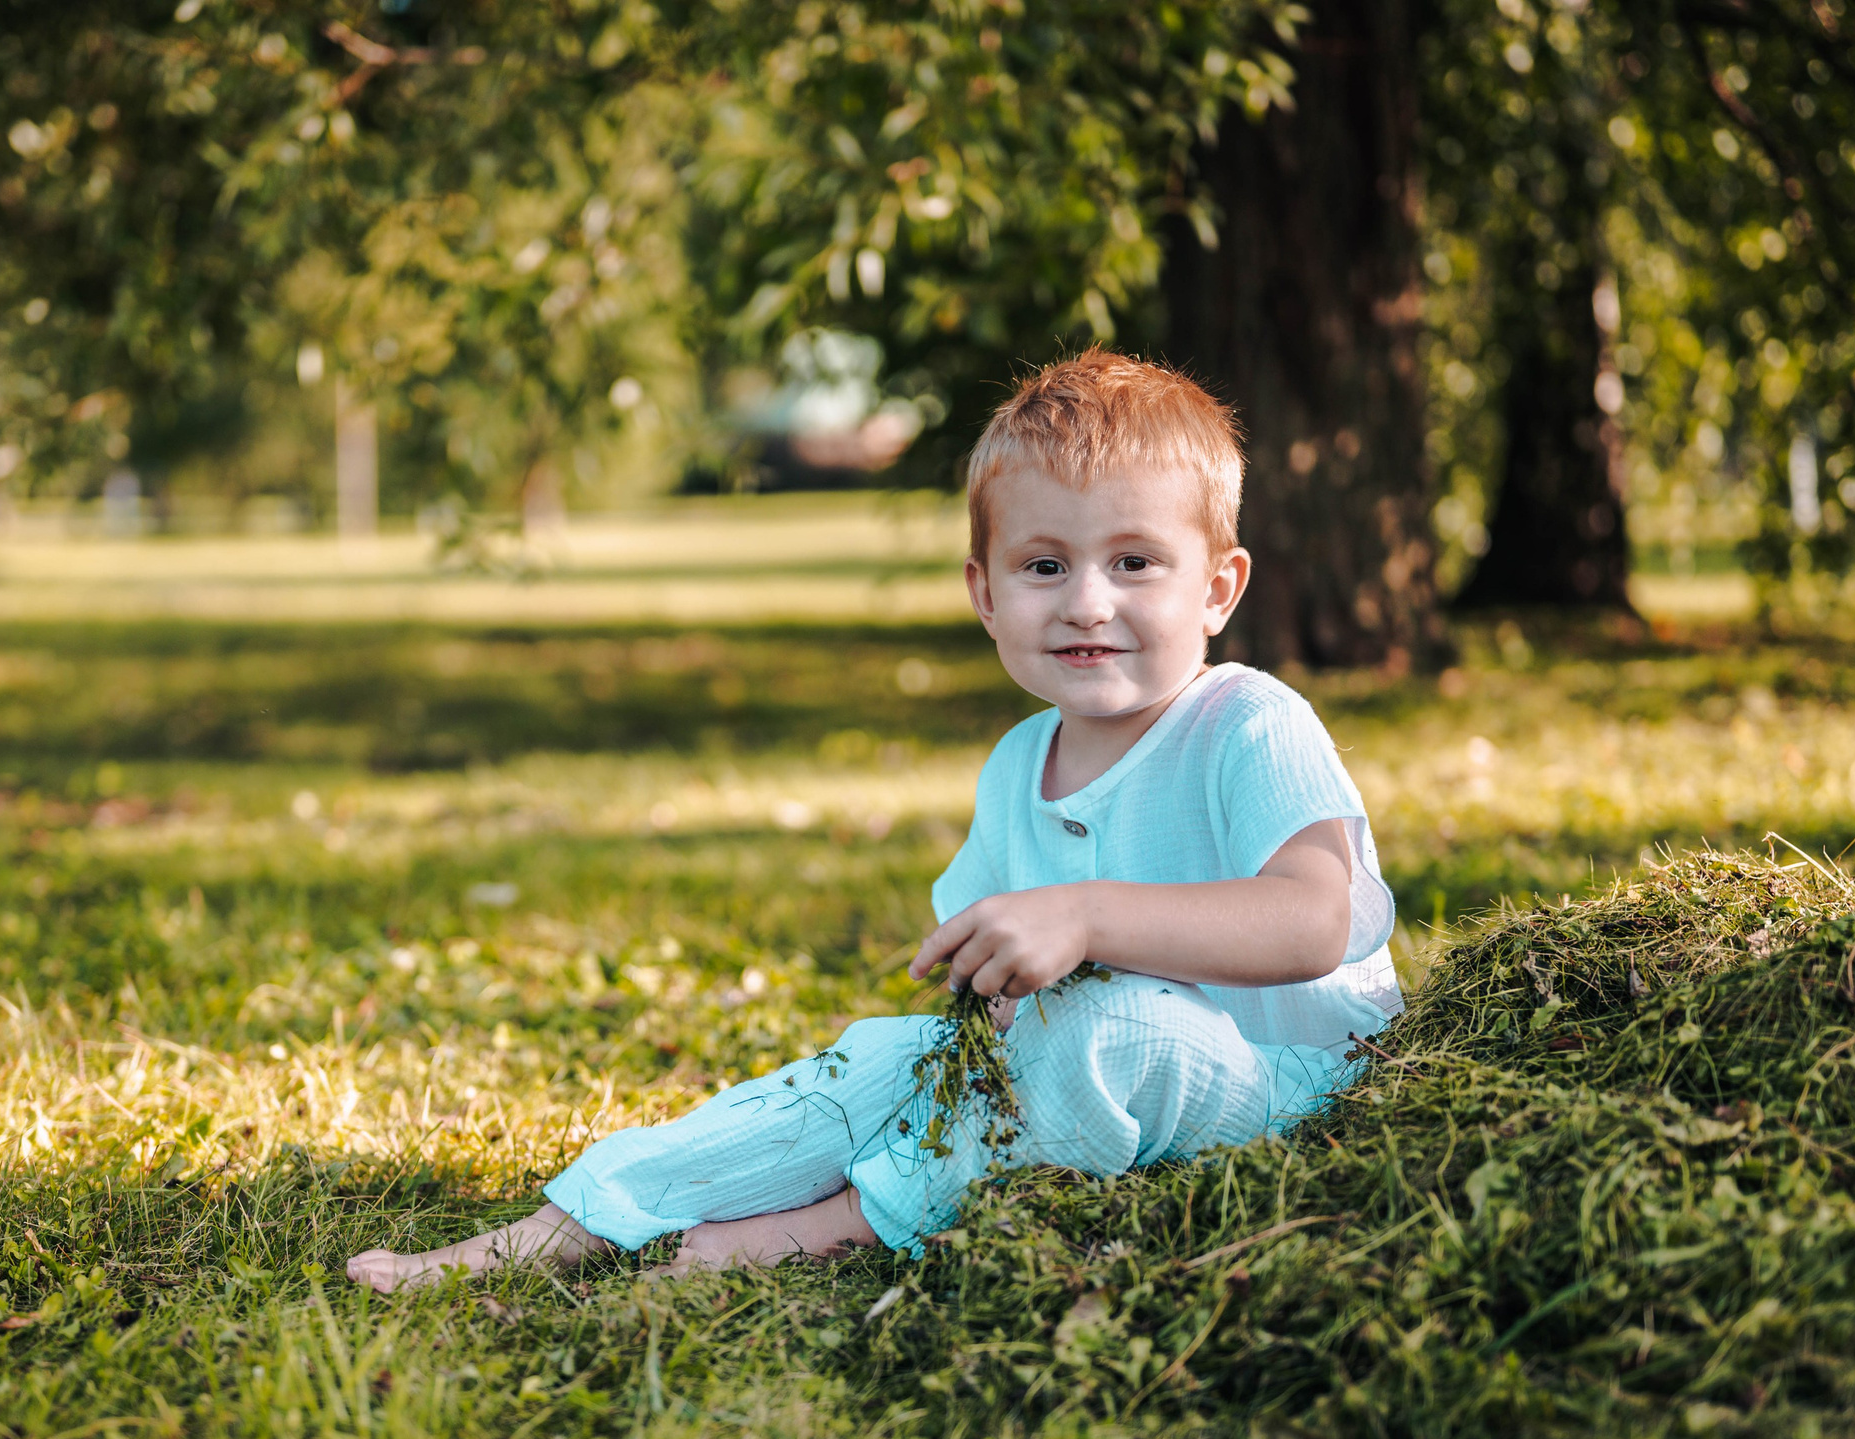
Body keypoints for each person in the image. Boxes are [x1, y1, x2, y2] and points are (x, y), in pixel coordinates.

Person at [346, 352, 1402, 1293]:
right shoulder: (1016, 765)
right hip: (1079, 1072)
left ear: (1218, 588)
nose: (1086, 601)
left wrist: (1085, 914)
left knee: (1111, 1028)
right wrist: (975, 996)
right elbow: (982, 997)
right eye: (1044, 566)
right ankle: (561, 1227)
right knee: (872, 1060)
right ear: (984, 593)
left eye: (1134, 563)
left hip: (1289, 1089)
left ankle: (838, 1225)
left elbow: (1314, 922)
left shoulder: (1249, 721)